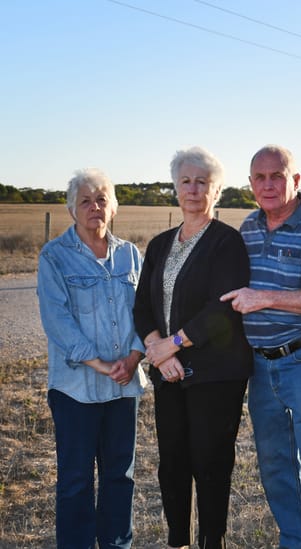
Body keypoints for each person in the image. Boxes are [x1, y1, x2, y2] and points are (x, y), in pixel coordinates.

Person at [221, 145, 301, 548]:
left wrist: (267, 298)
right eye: (259, 177)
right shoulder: (246, 228)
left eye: (278, 175)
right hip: (260, 366)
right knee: (275, 465)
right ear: (250, 185)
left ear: (296, 179)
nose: (269, 184)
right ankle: (294, 541)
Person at [133, 146, 253, 549]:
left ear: (216, 191)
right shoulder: (160, 244)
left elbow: (222, 311)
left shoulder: (227, 243)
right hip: (169, 374)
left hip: (216, 374)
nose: (193, 189)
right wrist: (157, 349)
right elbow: (142, 306)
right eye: (186, 181)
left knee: (211, 462)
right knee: (172, 464)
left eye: (203, 182)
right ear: (175, 188)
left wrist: (173, 345)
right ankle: (177, 541)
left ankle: (211, 541)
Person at [37, 168, 148, 549]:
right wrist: (100, 363)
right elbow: (57, 320)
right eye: (85, 200)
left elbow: (147, 313)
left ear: (112, 207)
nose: (94, 207)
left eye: (101, 199)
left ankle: (117, 544)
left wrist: (134, 357)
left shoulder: (131, 255)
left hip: (123, 387)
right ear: (72, 210)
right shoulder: (54, 257)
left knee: (121, 475)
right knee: (76, 479)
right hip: (75, 389)